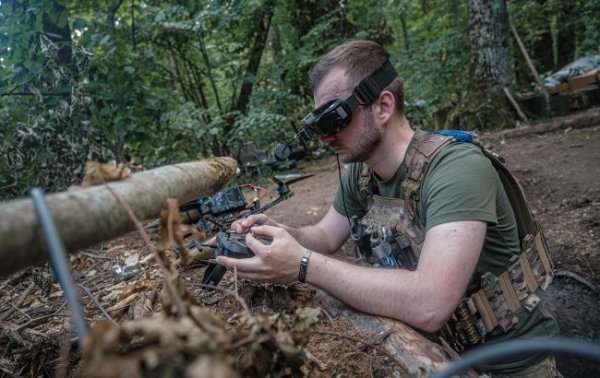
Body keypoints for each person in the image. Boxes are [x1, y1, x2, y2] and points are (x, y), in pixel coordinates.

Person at [216, 40, 561, 376]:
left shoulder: (456, 169)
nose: (325, 139)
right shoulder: (361, 174)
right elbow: (322, 235)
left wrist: (303, 265)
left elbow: (430, 303)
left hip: (511, 364)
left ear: (383, 107)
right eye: (318, 126)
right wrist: (275, 233)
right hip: (429, 352)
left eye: (335, 120)